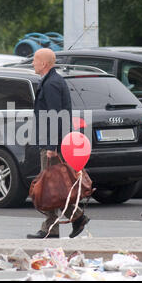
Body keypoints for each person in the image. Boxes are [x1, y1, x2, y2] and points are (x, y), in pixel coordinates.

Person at [27, 48, 90, 239]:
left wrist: (52, 147)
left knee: (51, 186)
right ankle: (68, 221)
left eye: (35, 60)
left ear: (44, 63)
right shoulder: (52, 80)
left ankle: (55, 226)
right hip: (53, 141)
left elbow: (55, 116)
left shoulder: (51, 83)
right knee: (55, 185)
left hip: (52, 143)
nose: (33, 63)